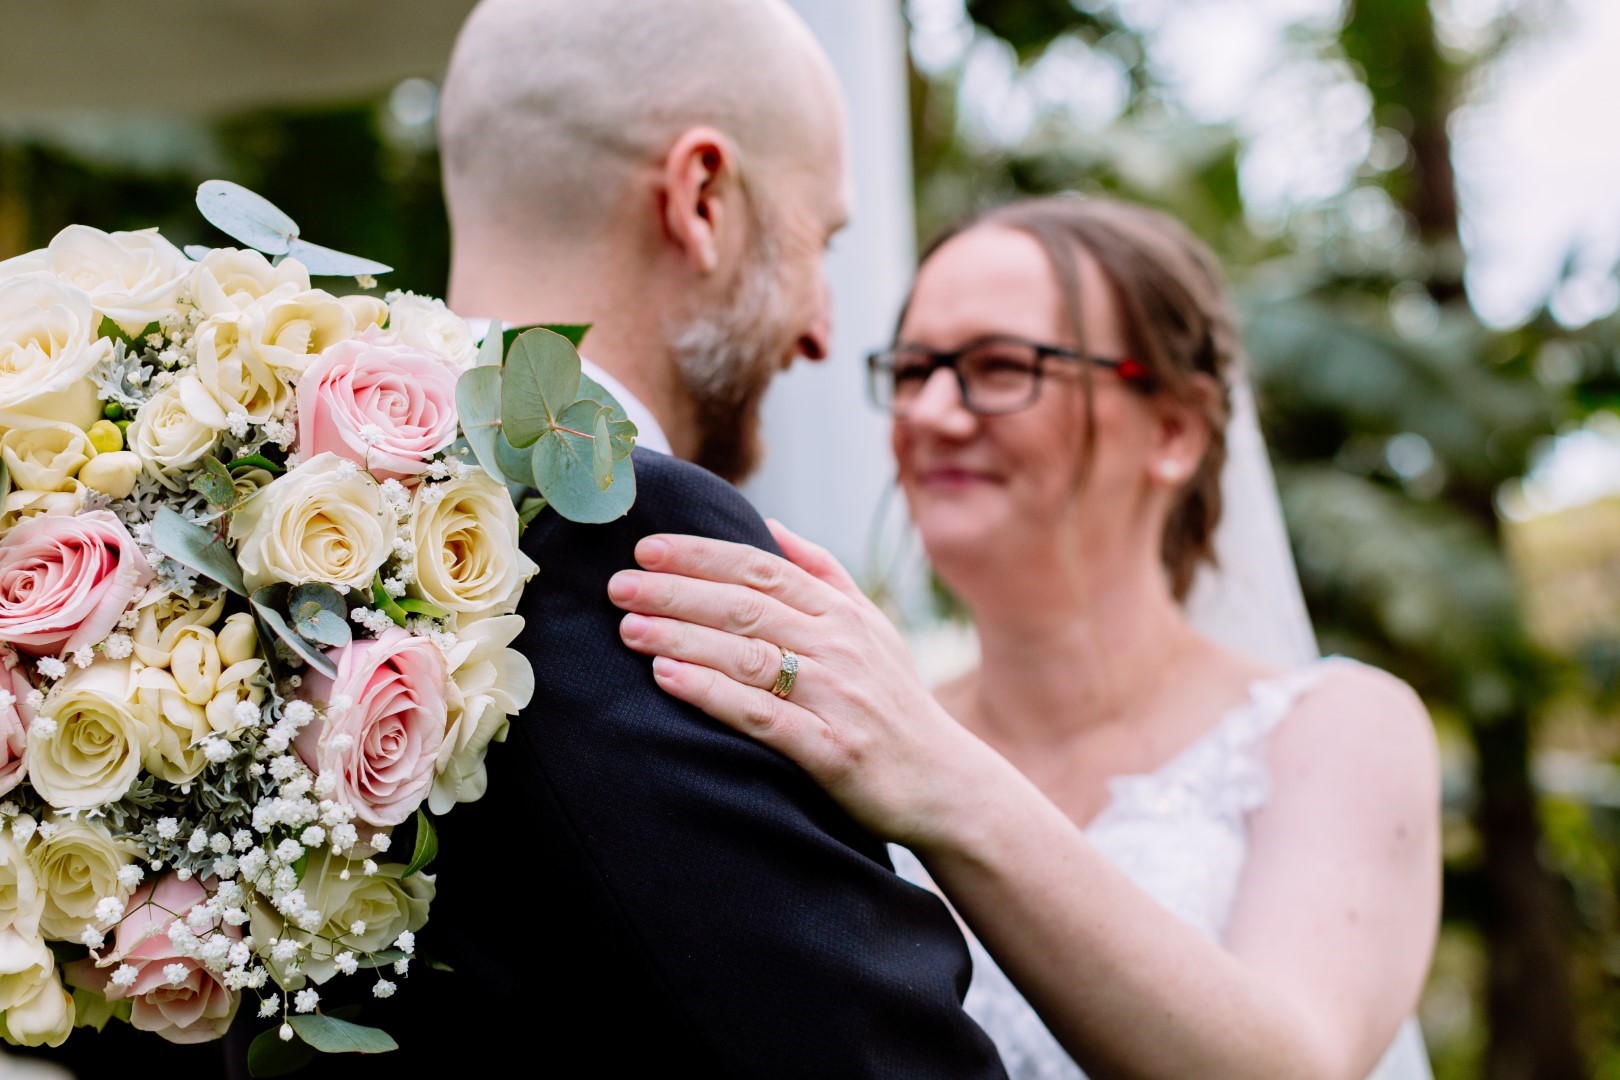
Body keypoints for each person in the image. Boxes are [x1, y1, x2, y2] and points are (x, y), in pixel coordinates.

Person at [608, 195, 1442, 1078]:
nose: (931, 412)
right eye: (914, 369)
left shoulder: (1340, 728)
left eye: (1002, 366)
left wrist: (939, 774)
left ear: (1174, 430)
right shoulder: (854, 725)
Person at [348, 1, 1005, 1076]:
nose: (822, 330)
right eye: (820, 242)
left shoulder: (279, 514)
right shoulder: (635, 536)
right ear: (703, 201)